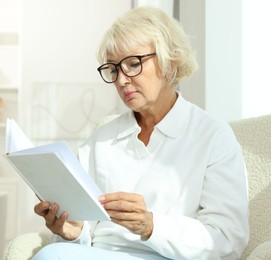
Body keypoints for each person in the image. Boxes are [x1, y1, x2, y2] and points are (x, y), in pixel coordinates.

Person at [32, 6, 249, 260]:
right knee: (55, 253)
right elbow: (87, 236)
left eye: (133, 64)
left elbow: (227, 239)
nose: (121, 80)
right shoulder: (100, 140)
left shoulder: (213, 136)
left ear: (171, 62)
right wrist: (73, 232)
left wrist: (151, 225)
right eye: (113, 69)